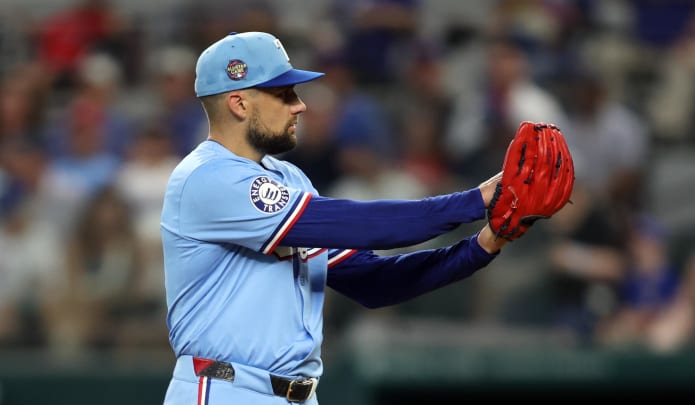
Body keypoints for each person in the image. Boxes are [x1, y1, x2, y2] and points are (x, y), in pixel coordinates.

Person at [161, 31, 511, 405]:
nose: (300, 106)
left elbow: (375, 282)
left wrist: (483, 244)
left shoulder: (289, 179)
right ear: (239, 103)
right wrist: (478, 199)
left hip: (296, 395)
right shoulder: (206, 177)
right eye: (283, 94)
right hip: (225, 390)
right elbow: (362, 225)